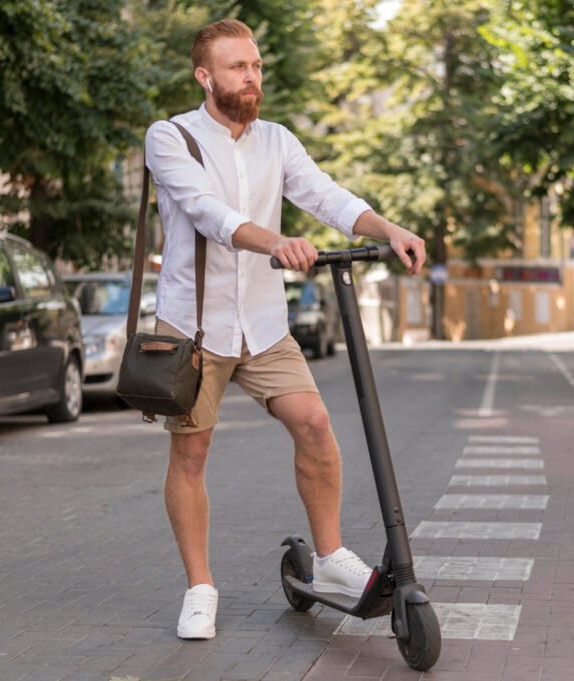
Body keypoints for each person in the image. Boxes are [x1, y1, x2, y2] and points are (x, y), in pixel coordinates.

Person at [144, 19, 426, 641]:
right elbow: (209, 214)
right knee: (191, 452)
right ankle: (200, 587)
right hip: (195, 327)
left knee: (316, 425)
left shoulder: (277, 140)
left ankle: (328, 560)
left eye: (257, 66)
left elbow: (325, 196)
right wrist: (277, 242)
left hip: (264, 323)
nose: (251, 76)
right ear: (205, 76)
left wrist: (390, 230)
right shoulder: (170, 138)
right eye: (237, 67)